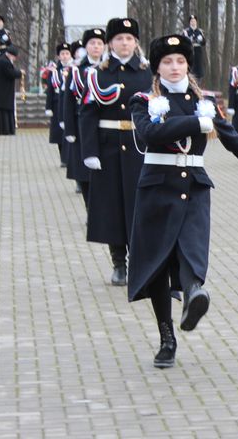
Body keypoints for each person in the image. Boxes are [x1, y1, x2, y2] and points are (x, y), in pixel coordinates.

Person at [128, 34, 238, 368]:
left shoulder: (203, 100)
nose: (174, 67)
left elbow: (228, 133)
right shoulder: (144, 100)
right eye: (167, 62)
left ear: (188, 65)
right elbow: (149, 134)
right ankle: (166, 337)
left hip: (194, 186)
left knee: (192, 246)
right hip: (156, 188)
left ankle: (194, 295)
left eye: (180, 61)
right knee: (158, 266)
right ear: (157, 67)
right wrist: (195, 123)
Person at [79, 17, 152, 286]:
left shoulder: (147, 73)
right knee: (112, 208)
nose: (124, 43)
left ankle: (138, 261)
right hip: (108, 149)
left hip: (139, 148)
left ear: (136, 42)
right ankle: (118, 263)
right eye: (119, 38)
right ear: (110, 43)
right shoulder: (98, 74)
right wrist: (90, 151)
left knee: (138, 207)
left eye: (129, 38)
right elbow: (87, 113)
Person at [64, 29, 106, 206]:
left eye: (99, 43)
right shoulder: (77, 70)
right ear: (86, 47)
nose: (96, 47)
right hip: (82, 128)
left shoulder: (108, 68)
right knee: (85, 173)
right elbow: (68, 101)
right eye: (92, 43)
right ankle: (90, 209)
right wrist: (69, 129)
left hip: (104, 127)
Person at [45, 42, 74, 166]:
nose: (65, 56)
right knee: (59, 133)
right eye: (62, 54)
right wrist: (48, 107)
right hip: (57, 105)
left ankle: (69, 158)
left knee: (69, 131)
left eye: (67, 53)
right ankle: (63, 157)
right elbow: (50, 91)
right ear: (58, 56)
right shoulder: (54, 71)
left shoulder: (74, 69)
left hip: (69, 103)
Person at [0, 45, 23, 136]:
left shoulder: (2, 60)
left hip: (1, 93)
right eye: (15, 57)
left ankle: (6, 130)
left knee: (4, 112)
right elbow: (11, 73)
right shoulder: (4, 62)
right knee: (4, 112)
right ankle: (6, 131)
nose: (15, 59)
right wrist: (20, 73)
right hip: (2, 94)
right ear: (11, 55)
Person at [182, 15, 206, 80]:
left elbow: (203, 42)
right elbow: (183, 42)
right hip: (189, 52)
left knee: (198, 72)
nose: (193, 23)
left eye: (194, 21)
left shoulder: (200, 31)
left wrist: (197, 40)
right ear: (190, 22)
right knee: (190, 69)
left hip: (198, 53)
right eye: (192, 21)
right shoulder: (186, 32)